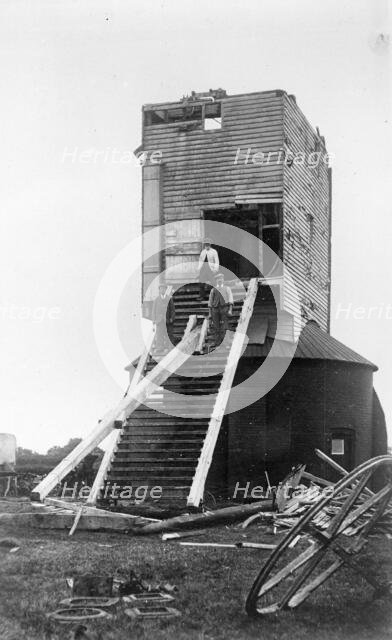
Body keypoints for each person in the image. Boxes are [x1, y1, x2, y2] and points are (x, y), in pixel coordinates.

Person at [208, 273, 233, 346]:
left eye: (221, 278)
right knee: (216, 326)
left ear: (223, 279)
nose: (220, 280)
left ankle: (226, 343)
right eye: (218, 279)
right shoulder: (213, 290)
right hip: (215, 309)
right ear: (216, 280)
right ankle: (217, 343)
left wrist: (230, 310)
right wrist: (210, 313)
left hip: (224, 308)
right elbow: (210, 302)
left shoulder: (227, 288)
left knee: (225, 326)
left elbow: (230, 299)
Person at [151, 284, 176, 352]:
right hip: (159, 321)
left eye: (164, 289)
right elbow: (153, 311)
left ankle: (169, 348)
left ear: (165, 290)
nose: (162, 290)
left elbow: (173, 310)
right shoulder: (156, 300)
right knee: (159, 334)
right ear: (159, 290)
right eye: (161, 289)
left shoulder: (169, 299)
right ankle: (160, 348)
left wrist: (171, 319)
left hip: (167, 320)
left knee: (168, 334)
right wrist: (154, 320)